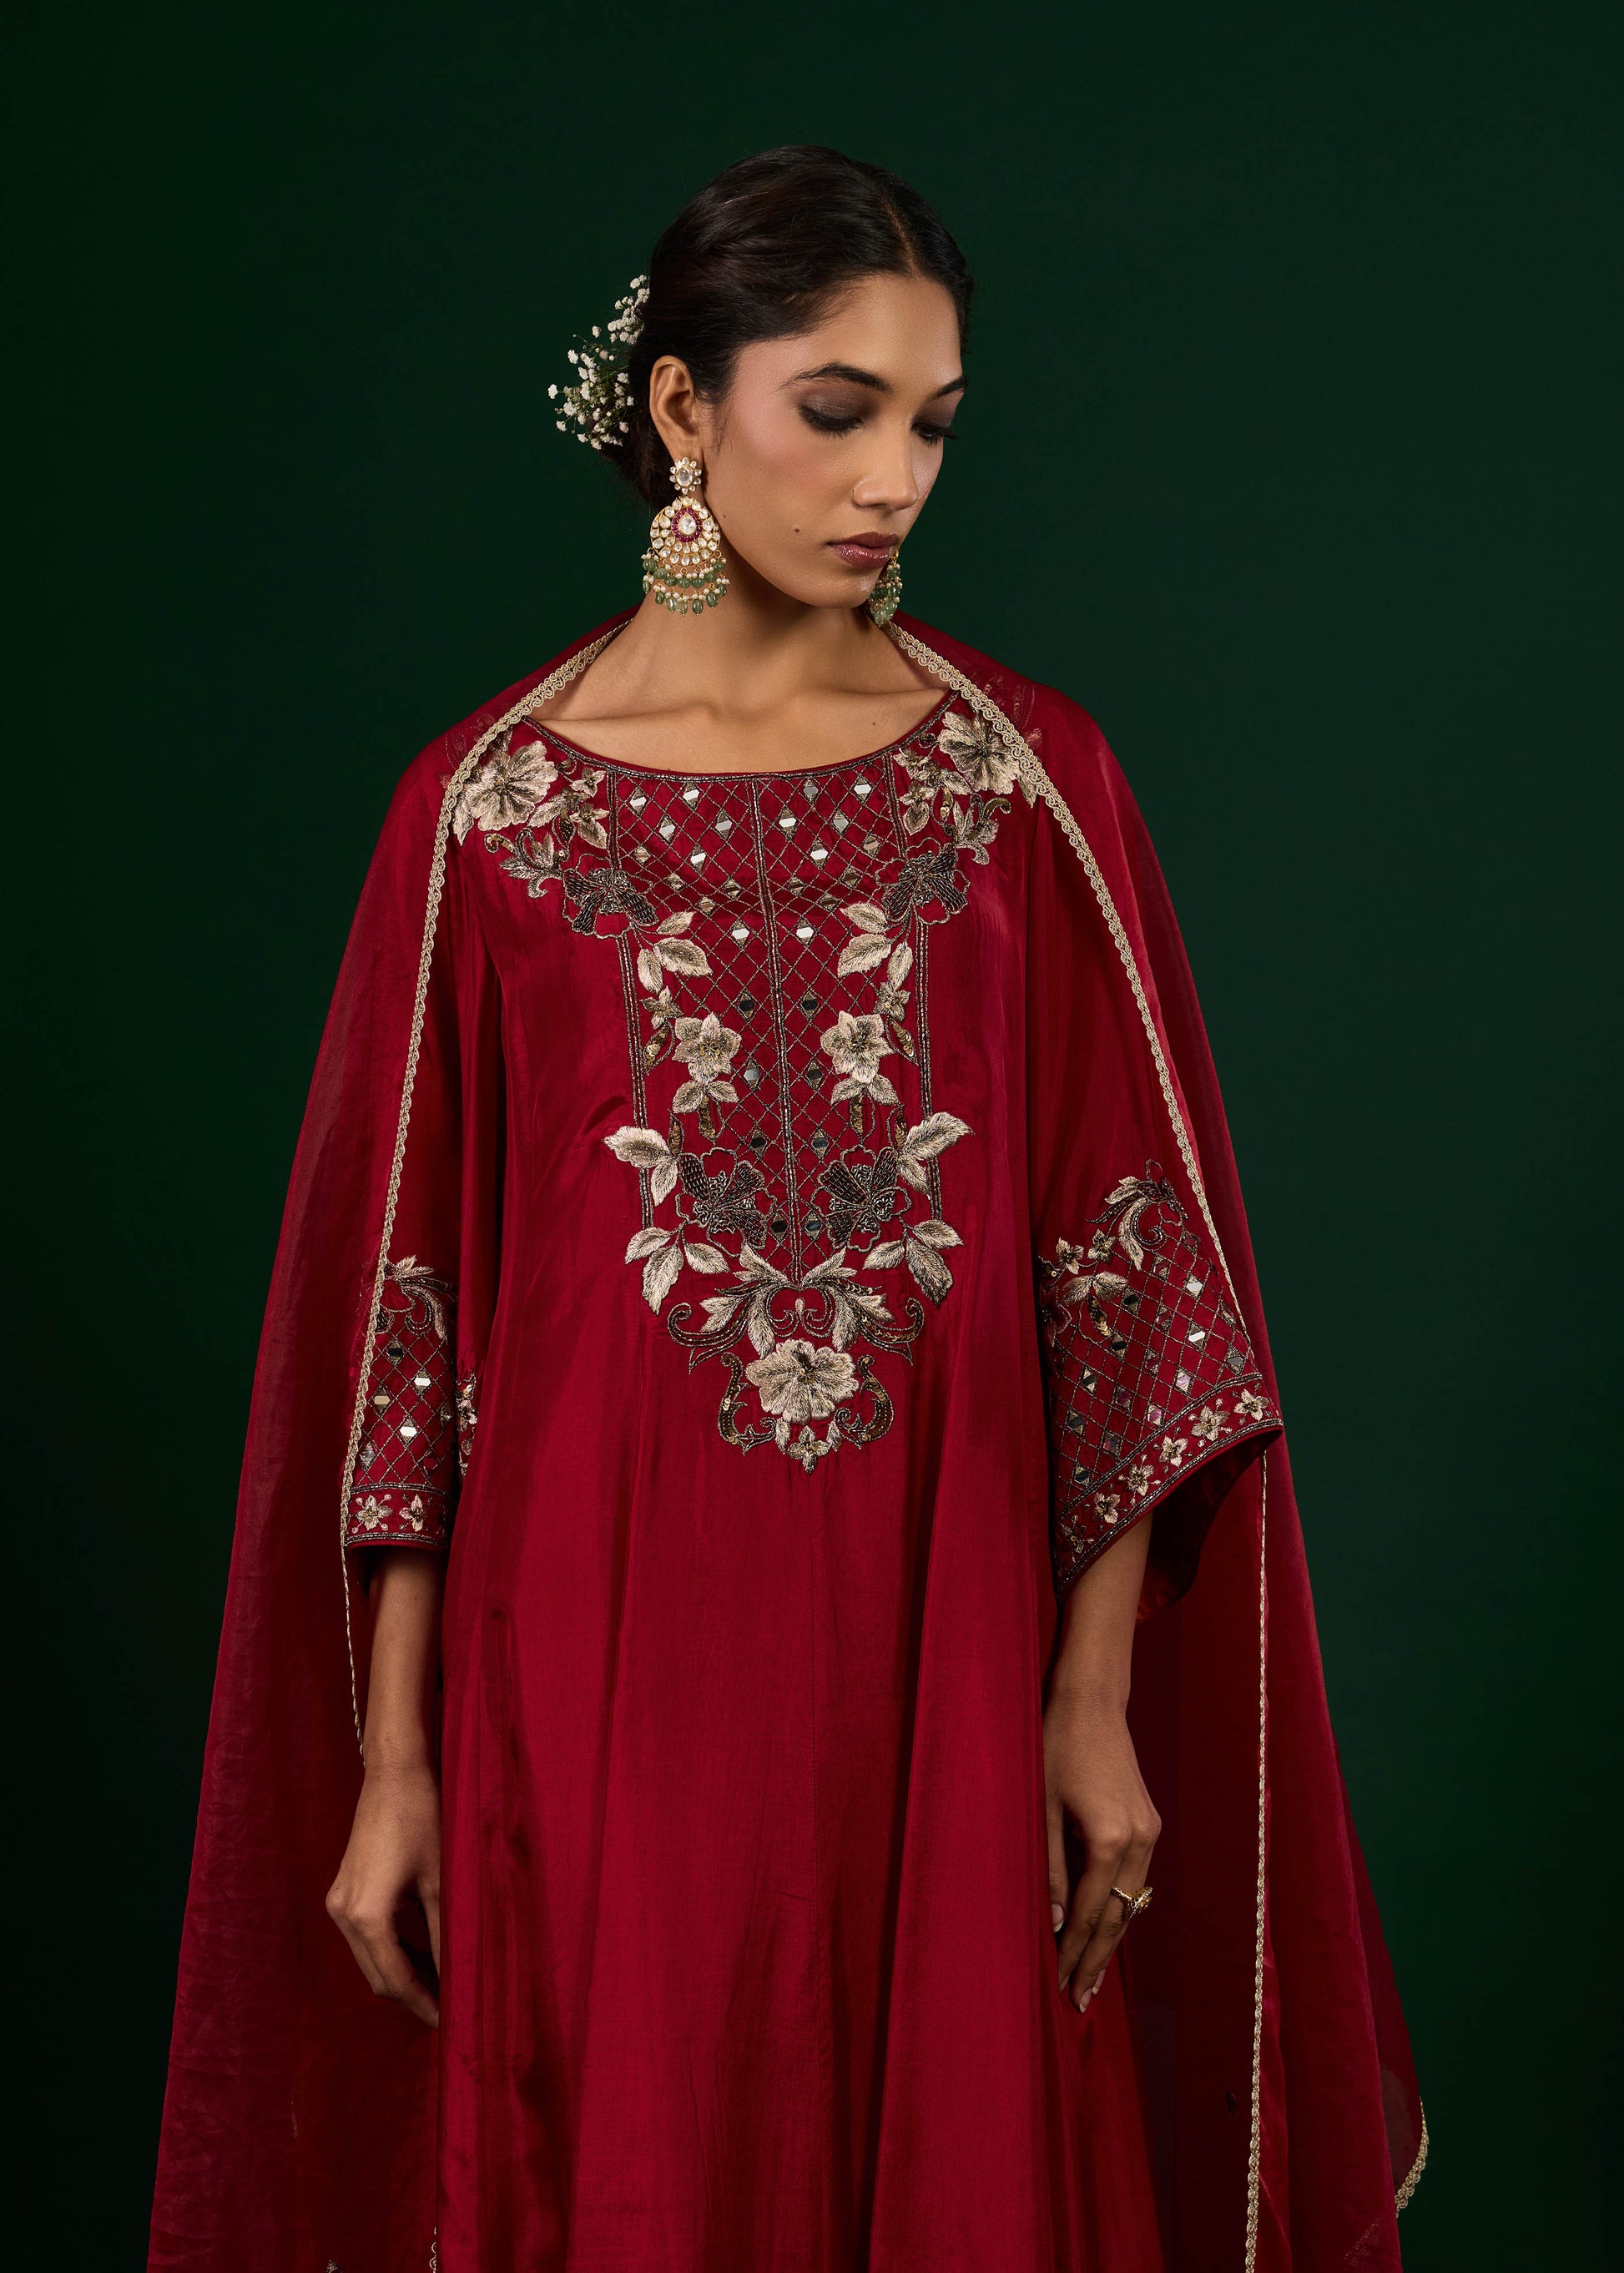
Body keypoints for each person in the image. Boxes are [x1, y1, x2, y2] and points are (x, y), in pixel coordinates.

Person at [149, 146, 1423, 2273]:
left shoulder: (1028, 788)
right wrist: (392, 1766)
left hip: (944, 1644)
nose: (893, 478)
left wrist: (1090, 1697)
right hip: (585, 1661)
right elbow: (408, 1324)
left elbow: (1124, 1279)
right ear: (679, 410)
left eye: (930, 423)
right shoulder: (483, 812)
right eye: (834, 410)